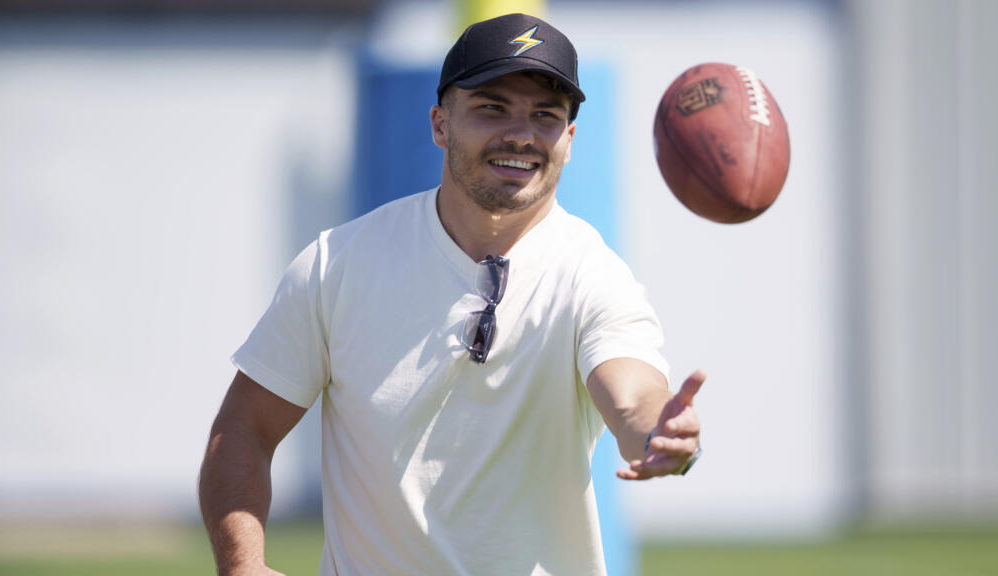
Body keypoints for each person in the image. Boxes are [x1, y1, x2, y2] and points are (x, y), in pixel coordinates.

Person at [199, 12, 703, 576]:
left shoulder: (593, 274)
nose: (521, 134)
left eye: (545, 115)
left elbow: (632, 395)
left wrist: (660, 430)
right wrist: (242, 564)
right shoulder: (336, 264)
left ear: (569, 139)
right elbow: (244, 430)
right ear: (440, 124)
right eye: (492, 108)